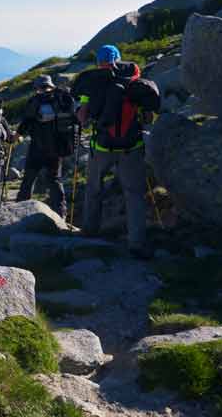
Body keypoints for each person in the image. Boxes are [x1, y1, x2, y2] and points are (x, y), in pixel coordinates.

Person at [72, 44, 152, 259]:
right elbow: (147, 116)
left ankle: (90, 232)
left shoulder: (93, 83)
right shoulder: (134, 81)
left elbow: (82, 116)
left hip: (102, 147)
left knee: (94, 189)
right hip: (131, 147)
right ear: (119, 59)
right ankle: (137, 243)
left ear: (99, 61)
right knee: (134, 194)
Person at [15, 75, 76, 218]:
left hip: (38, 147)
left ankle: (19, 212)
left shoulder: (35, 101)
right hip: (57, 147)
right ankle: (61, 214)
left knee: (29, 178)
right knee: (54, 180)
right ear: (51, 85)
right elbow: (74, 118)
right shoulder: (63, 99)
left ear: (37, 87)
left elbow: (26, 122)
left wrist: (15, 136)